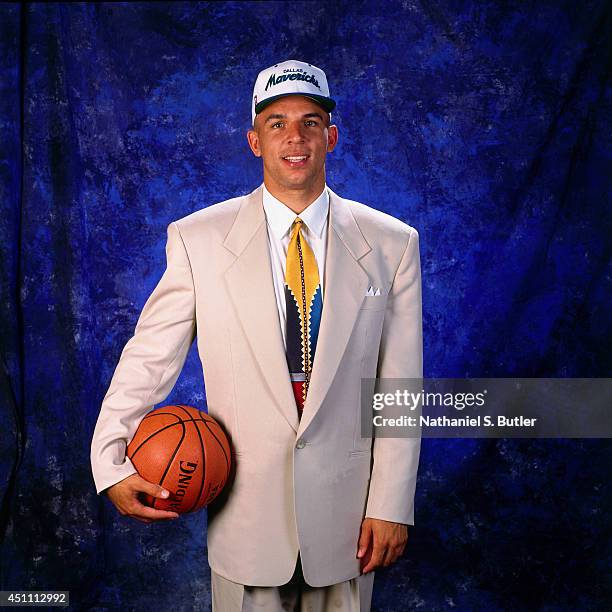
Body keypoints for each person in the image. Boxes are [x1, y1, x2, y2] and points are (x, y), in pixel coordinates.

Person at [90, 59, 423, 612]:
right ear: (254, 141)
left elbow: (400, 387)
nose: (295, 137)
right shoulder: (198, 239)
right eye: (277, 123)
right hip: (245, 519)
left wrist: (392, 502)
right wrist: (110, 460)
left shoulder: (392, 244)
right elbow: (148, 358)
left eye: (311, 122)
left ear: (331, 136)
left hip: (350, 523)